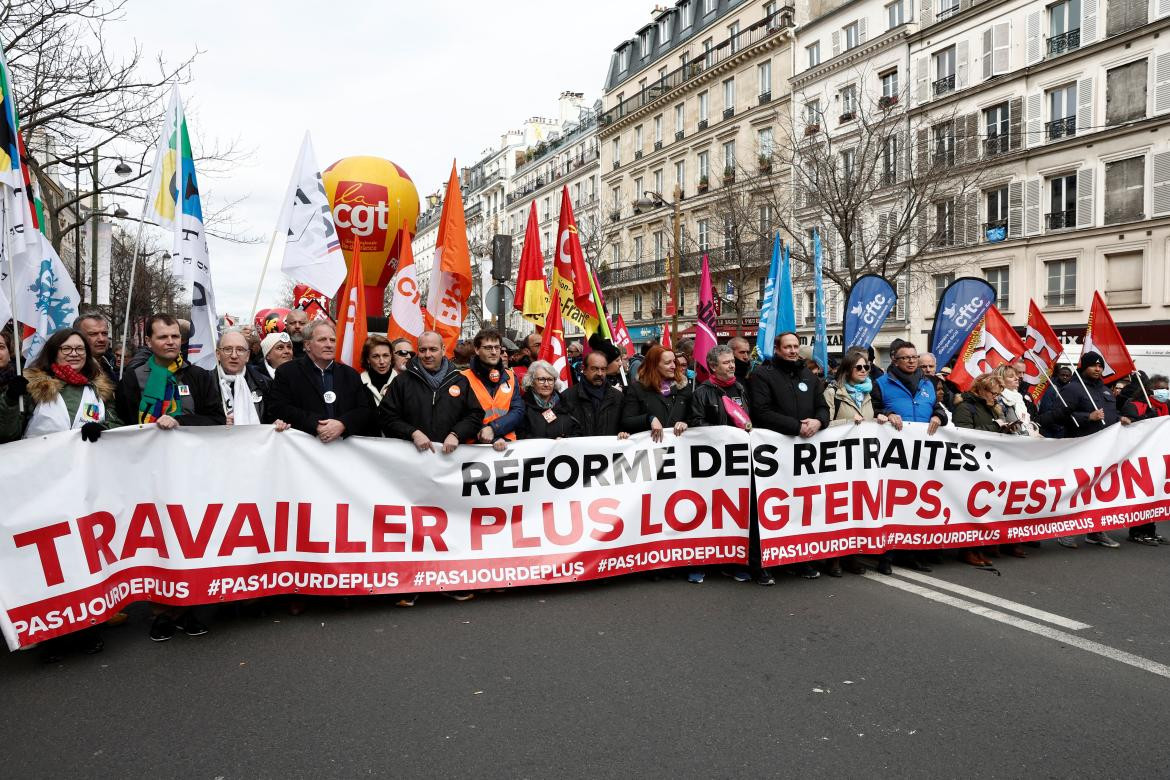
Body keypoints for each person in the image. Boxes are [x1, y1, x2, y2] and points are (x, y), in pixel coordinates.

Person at [379, 330, 484, 605]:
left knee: (448, 526)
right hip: (413, 468)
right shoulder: (403, 382)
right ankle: (410, 585)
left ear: (443, 350)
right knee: (415, 528)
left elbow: (475, 414)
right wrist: (412, 432)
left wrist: (457, 434)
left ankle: (450, 582)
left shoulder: (459, 382)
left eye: (432, 350)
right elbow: (387, 416)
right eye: (422, 350)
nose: (427, 355)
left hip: (449, 469)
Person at [748, 332, 829, 581]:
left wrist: (818, 422)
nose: (793, 351)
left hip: (803, 456)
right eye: (788, 347)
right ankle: (760, 563)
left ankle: (799, 558)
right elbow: (760, 411)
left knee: (799, 507)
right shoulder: (763, 374)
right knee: (767, 508)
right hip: (772, 455)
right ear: (777, 349)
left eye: (796, 346)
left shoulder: (807, 375)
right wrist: (796, 427)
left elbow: (823, 407)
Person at [818, 350, 890, 577]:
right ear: (848, 369)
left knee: (856, 508)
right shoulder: (833, 392)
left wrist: (880, 417)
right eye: (858, 367)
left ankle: (852, 555)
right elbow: (824, 423)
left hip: (863, 461)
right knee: (837, 509)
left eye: (866, 367)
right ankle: (834, 558)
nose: (863, 371)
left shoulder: (869, 392)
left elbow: (872, 417)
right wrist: (849, 422)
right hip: (839, 459)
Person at [1059, 351, 1133, 549]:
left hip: (1104, 450)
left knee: (1099, 491)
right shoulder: (1073, 388)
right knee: (1075, 491)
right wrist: (1087, 417)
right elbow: (1060, 416)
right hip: (1080, 447)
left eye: (1100, 366)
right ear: (1084, 367)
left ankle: (1096, 531)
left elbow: (1110, 414)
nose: (1098, 369)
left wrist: (1120, 419)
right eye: (1093, 365)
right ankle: (1065, 530)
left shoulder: (1105, 390)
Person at [268, 319, 377, 442]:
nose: (329, 344)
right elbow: (279, 407)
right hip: (304, 449)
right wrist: (316, 424)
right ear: (307, 345)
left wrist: (342, 424)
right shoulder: (287, 372)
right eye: (322, 340)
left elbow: (364, 410)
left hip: (344, 451)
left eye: (332, 340)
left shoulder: (351, 374)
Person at [118, 313, 226, 429]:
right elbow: (124, 426)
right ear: (148, 341)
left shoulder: (199, 376)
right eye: (163, 337)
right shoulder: (132, 378)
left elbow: (218, 420)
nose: (170, 342)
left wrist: (180, 422)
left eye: (175, 336)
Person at [952, 373, 1014, 566]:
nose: (996, 397)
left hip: (989, 463)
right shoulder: (964, 407)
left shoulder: (993, 408)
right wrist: (995, 426)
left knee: (986, 506)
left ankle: (981, 546)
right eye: (994, 393)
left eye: (998, 394)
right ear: (981, 390)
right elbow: (964, 434)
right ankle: (968, 550)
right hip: (971, 464)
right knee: (971, 508)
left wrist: (1005, 428)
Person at [23, 328, 122, 439]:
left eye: (80, 349)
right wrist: (9, 402)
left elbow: (116, 424)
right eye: (66, 348)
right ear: (54, 352)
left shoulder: (101, 390)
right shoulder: (33, 387)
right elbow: (8, 433)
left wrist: (103, 428)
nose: (74, 354)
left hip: (87, 455)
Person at [1124, 374, 1169, 545]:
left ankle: (1151, 530)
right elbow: (1130, 429)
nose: (1165, 392)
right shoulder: (1135, 405)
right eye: (1161, 388)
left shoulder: (1164, 407)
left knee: (1154, 496)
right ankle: (1137, 532)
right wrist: (1145, 419)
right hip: (1140, 459)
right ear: (1150, 389)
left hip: (1159, 458)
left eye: (1167, 389)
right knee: (1143, 495)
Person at [462, 329, 524, 447]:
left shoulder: (510, 376)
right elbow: (462, 415)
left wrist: (494, 429)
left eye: (497, 347)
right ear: (477, 350)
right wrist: (485, 432)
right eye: (488, 348)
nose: (494, 352)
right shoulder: (463, 378)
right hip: (475, 445)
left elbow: (518, 411)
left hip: (507, 443)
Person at [214, 329, 287, 430]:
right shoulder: (205, 383)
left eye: (240, 350)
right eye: (228, 349)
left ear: (247, 356)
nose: (234, 355)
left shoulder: (264, 384)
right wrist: (219, 421)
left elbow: (271, 416)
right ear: (218, 354)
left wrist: (276, 423)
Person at [621, 344, 691, 444]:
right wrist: (649, 418)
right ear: (653, 365)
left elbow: (694, 417)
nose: (674, 366)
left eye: (674, 362)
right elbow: (627, 421)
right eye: (668, 363)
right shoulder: (638, 388)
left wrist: (686, 423)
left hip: (679, 451)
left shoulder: (684, 387)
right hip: (651, 452)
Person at [873, 341, 947, 434]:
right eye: (905, 358)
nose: (911, 361)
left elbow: (937, 408)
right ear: (895, 361)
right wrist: (888, 414)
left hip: (923, 442)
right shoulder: (880, 383)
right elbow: (871, 411)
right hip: (894, 442)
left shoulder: (928, 383)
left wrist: (938, 416)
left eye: (914, 357)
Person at [560, 344, 627, 438]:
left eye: (603, 369)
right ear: (584, 369)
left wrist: (623, 433)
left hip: (609, 452)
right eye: (594, 369)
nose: (599, 374)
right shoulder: (567, 397)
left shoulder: (618, 397)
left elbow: (624, 424)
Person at [518, 360, 578, 439]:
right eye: (541, 379)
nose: (546, 384)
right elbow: (520, 435)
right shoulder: (522, 407)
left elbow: (577, 431)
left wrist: (565, 440)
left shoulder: (565, 404)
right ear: (531, 382)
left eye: (550, 379)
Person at [993, 364, 1038, 437]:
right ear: (1000, 380)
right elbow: (1004, 431)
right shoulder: (998, 399)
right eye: (1011, 376)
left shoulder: (1018, 397)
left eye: (1016, 375)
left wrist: (1032, 428)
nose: (1017, 378)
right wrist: (1029, 433)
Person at [1, 327, 29, 443]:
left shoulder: (22, 386)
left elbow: (9, 435)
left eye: (1, 347)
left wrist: (11, 400)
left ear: (9, 353)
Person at [73, 313, 116, 381]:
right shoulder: (73, 372)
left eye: (104, 333)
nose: (101, 339)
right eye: (93, 334)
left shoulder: (108, 366)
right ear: (78, 336)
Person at [1038, 363, 1075, 438]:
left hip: (1063, 428)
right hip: (1050, 428)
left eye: (1067, 376)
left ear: (1071, 377)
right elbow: (1045, 409)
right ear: (1058, 375)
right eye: (1062, 375)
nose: (1065, 377)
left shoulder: (1071, 390)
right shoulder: (1052, 389)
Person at [360, 334, 396, 407]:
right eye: (375, 356)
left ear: (391, 357)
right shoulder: (358, 383)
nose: (382, 361)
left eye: (385, 355)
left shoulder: (401, 382)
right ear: (368, 359)